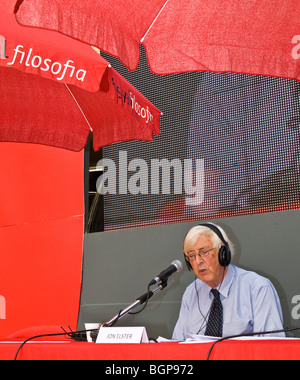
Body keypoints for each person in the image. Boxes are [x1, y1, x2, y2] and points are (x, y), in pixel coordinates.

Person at [172, 223, 285, 341]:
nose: (198, 261)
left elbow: (271, 349)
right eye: (192, 256)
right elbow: (177, 345)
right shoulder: (191, 293)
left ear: (223, 253)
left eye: (204, 252)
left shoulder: (258, 288)